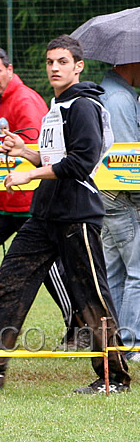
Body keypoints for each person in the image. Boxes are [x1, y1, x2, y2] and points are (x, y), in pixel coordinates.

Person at [0, 35, 130, 394]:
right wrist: (24, 151)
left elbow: (80, 162)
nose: (54, 68)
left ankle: (113, 378)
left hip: (76, 215)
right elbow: (54, 158)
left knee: (91, 298)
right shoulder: (55, 106)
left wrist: (28, 174)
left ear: (78, 66)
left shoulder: (84, 106)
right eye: (49, 62)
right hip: (44, 214)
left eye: (62, 62)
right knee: (8, 282)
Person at [0, 47, 75, 346]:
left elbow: (43, 148)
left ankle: (78, 326)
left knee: (50, 266)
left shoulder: (25, 100)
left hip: (31, 199)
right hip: (2, 198)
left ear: (10, 69)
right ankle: (3, 319)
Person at [99, 63, 140, 361]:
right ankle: (129, 344)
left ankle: (111, 342)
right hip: (124, 196)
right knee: (138, 273)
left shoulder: (107, 90)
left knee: (113, 272)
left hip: (106, 196)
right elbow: (126, 160)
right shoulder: (121, 100)